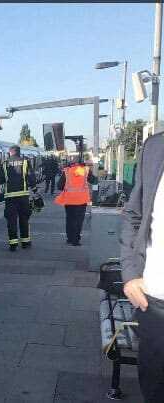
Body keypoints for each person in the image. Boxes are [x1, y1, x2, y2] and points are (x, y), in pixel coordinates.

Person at [120, 132, 164, 403]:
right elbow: (134, 213)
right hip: (154, 302)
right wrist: (131, 273)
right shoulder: (155, 147)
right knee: (155, 388)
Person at [0, 145, 37, 251]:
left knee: (11, 220)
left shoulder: (5, 164)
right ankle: (25, 242)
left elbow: (0, 180)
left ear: (10, 152)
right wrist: (35, 190)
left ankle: (13, 244)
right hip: (23, 196)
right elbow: (31, 177)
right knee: (24, 219)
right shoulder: (25, 162)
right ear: (19, 152)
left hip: (10, 197)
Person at [54, 157, 96, 246]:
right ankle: (76, 240)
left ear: (71, 163)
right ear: (82, 163)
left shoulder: (67, 171)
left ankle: (69, 238)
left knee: (70, 219)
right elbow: (94, 181)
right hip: (81, 200)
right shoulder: (85, 170)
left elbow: (59, 186)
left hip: (69, 199)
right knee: (79, 220)